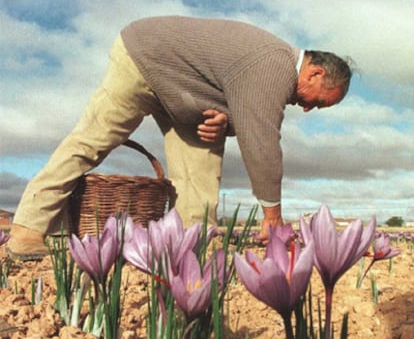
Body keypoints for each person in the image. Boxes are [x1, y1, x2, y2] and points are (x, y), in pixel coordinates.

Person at [7, 16, 352, 260]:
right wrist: (273, 218)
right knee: (92, 141)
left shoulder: (272, 69)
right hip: (144, 58)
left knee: (202, 163)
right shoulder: (275, 66)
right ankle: (28, 227)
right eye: (317, 101)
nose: (308, 109)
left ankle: (197, 244)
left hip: (188, 93)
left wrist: (226, 121)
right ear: (315, 72)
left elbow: (243, 115)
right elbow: (261, 140)